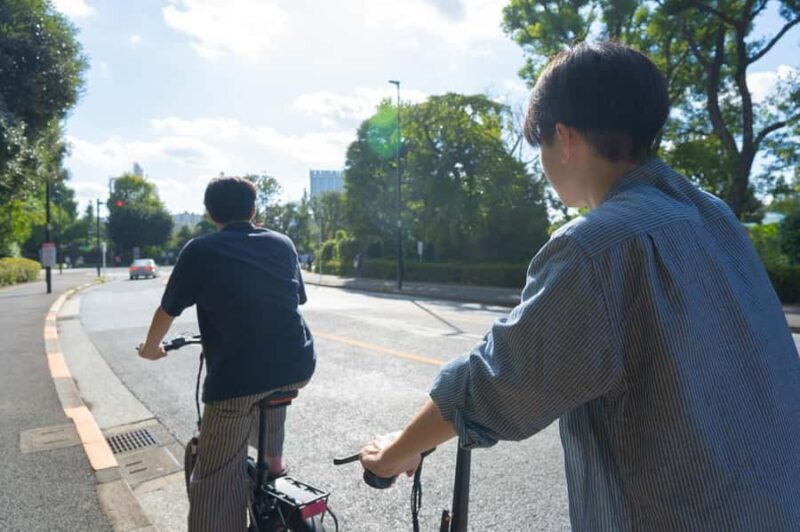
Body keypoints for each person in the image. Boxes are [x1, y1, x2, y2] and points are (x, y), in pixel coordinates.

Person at [359, 42, 800, 530]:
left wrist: (396, 452)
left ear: (564, 139)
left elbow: (497, 384)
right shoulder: (714, 215)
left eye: (541, 146)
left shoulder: (595, 245)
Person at [138, 176, 315, 531]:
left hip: (237, 378)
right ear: (254, 209)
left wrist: (151, 348)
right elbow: (297, 298)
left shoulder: (200, 250)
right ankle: (273, 466)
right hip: (298, 363)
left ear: (210, 212)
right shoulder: (282, 243)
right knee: (272, 395)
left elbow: (168, 310)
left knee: (215, 478)